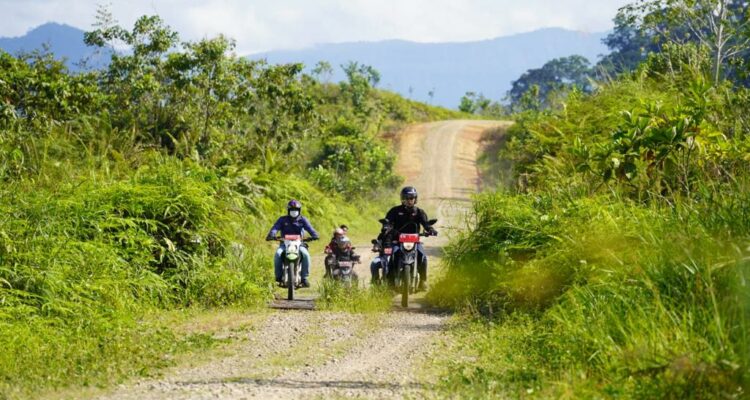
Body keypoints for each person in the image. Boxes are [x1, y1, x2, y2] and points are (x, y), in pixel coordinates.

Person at [384, 186, 437, 291]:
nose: (409, 200)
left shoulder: (419, 212)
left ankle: (422, 281)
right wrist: (387, 227)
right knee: (392, 256)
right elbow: (388, 222)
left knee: (423, 257)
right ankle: (390, 283)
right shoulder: (394, 211)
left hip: (414, 242)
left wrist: (430, 229)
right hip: (398, 241)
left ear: (415, 199)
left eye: (411, 198)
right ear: (402, 199)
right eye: (407, 198)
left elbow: (425, 223)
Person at [265, 199, 319, 287]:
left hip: (299, 243)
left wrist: (314, 235)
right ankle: (278, 278)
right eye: (292, 210)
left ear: (299, 210)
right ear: (288, 210)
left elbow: (310, 229)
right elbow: (275, 228)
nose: (294, 212)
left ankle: (304, 278)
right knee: (278, 254)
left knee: (306, 255)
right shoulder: (282, 219)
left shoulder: (303, 220)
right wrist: (272, 235)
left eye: (296, 210)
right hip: (284, 243)